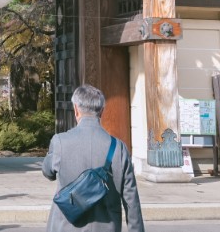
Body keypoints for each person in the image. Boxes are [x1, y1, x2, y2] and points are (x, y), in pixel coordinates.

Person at [42, 84, 144, 232]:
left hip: (65, 226)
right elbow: (131, 200)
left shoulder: (59, 142)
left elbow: (47, 172)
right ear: (101, 111)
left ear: (76, 109)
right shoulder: (119, 147)